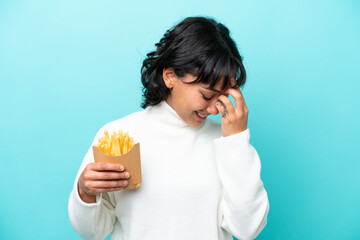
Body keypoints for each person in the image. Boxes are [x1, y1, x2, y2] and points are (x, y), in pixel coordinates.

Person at [68, 16, 269, 240]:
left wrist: (236, 141)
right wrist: (85, 193)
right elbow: (92, 232)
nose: (214, 109)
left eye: (222, 97)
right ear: (170, 75)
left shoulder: (228, 143)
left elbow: (247, 229)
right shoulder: (120, 136)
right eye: (207, 95)